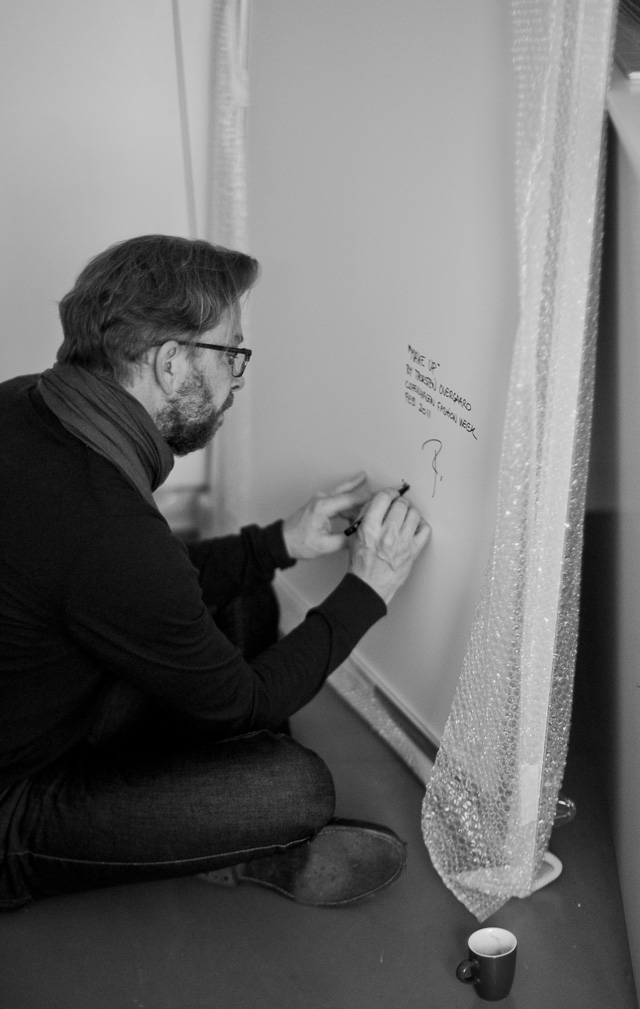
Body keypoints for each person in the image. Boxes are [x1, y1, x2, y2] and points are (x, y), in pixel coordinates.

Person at [0, 234, 430, 910]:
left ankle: (187, 816)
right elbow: (243, 704)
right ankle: (220, 838)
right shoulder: (105, 527)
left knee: (247, 599)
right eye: (231, 353)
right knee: (295, 789)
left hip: (45, 696)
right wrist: (369, 588)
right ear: (171, 363)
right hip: (12, 804)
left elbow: (138, 585)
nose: (236, 377)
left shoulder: (31, 403)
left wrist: (277, 543)